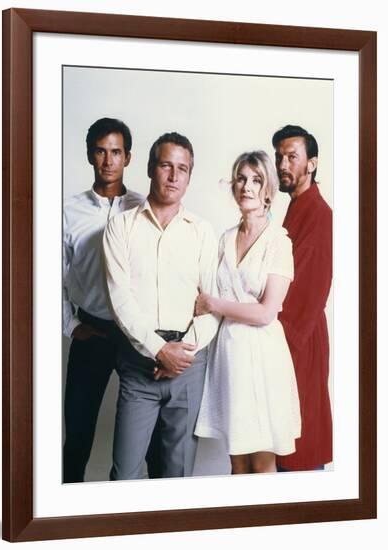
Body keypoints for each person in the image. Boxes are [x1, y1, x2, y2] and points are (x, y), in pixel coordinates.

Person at [103, 132, 219, 480]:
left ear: (189, 177)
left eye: (182, 169)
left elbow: (211, 304)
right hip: (139, 363)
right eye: (166, 165)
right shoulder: (121, 226)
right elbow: (119, 298)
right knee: (125, 475)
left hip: (188, 366)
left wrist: (180, 355)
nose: (173, 176)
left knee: (177, 473)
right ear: (152, 168)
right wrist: (158, 350)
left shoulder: (202, 232)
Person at [194, 150, 301, 474]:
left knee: (262, 459)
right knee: (236, 460)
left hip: (262, 358)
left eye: (256, 180)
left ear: (268, 188)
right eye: (241, 178)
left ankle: (267, 524)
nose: (247, 186)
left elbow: (267, 312)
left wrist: (215, 303)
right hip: (227, 356)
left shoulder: (278, 242)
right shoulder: (224, 239)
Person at [62, 117, 145, 483]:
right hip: (91, 332)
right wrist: (72, 326)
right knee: (77, 435)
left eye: (116, 152)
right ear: (89, 155)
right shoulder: (68, 211)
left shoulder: (145, 208)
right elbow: (48, 276)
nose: (108, 160)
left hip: (135, 336)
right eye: (100, 151)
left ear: (128, 157)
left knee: (142, 439)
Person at [272, 125, 332, 472]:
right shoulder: (295, 207)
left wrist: (268, 334)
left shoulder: (319, 214)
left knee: (298, 444)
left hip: (299, 339)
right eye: (280, 156)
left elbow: (308, 290)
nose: (283, 164)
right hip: (286, 334)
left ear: (311, 164)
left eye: (292, 157)